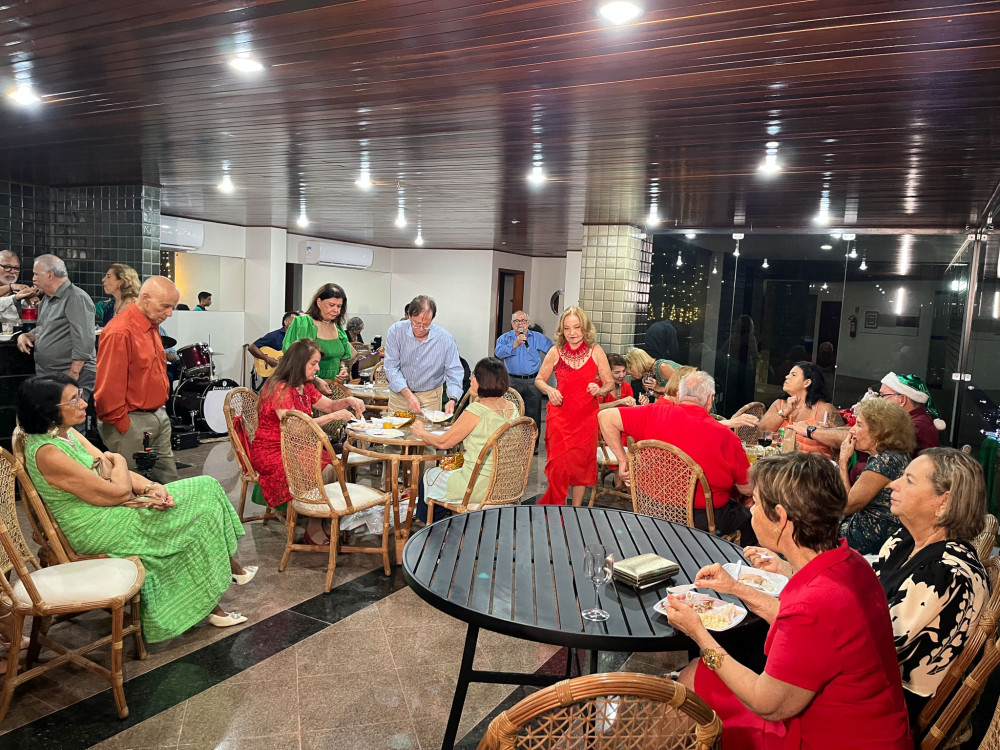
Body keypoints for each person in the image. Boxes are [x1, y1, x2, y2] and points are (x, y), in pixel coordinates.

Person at [670, 452, 912, 749]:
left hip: (828, 738)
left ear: (781, 519)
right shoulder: (851, 562)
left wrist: (699, 635)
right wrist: (735, 587)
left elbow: (766, 704)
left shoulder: (815, 603)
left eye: (756, 502)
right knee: (698, 673)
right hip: (878, 726)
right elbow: (806, 629)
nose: (751, 510)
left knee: (693, 678)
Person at [744, 448, 990, 728]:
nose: (893, 484)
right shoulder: (905, 540)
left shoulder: (947, 575)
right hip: (857, 678)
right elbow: (856, 597)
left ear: (943, 503)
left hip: (888, 708)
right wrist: (788, 568)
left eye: (908, 480)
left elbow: (876, 650)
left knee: (753, 661)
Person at [18, 374, 255, 640]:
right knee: (193, 515)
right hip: (94, 527)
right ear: (48, 411)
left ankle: (222, 578)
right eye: (73, 400)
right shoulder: (48, 452)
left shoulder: (66, 433)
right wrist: (119, 460)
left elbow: (114, 475)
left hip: (109, 509)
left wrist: (151, 487)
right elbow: (118, 491)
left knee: (206, 487)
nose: (84, 404)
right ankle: (217, 586)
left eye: (79, 396)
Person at [599, 370, 756, 542]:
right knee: (752, 518)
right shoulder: (726, 437)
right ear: (710, 399)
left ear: (679, 394)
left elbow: (605, 416)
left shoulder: (653, 414)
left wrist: (622, 461)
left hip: (651, 511)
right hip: (702, 520)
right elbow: (747, 489)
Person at [249, 339, 364, 545]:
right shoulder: (280, 388)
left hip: (297, 445)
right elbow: (295, 428)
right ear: (298, 363)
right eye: (313, 363)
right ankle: (314, 525)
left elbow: (329, 406)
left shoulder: (304, 386)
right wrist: (334, 417)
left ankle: (322, 518)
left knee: (332, 464)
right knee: (323, 468)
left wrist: (347, 401)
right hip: (273, 449)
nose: (317, 368)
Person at [94, 276, 180, 484]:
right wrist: (123, 424)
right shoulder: (120, 331)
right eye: (165, 306)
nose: (169, 313)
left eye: (173, 307)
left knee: (169, 483)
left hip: (157, 416)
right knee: (131, 486)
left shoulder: (152, 324)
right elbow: (108, 387)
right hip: (131, 421)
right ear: (146, 299)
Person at [412, 357, 519, 517]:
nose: (470, 378)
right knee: (448, 472)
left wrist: (421, 432)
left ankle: (434, 527)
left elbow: (443, 442)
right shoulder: (512, 407)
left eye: (474, 375)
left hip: (477, 485)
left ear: (483, 381)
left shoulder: (477, 410)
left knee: (429, 476)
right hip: (506, 483)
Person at [535, 306, 613, 506]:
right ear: (562, 330)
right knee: (558, 464)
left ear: (585, 328)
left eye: (576, 327)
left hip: (586, 418)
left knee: (581, 464)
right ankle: (557, 507)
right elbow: (539, 380)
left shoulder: (596, 351)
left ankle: (576, 510)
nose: (572, 333)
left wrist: (600, 389)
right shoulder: (555, 351)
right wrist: (550, 390)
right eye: (567, 328)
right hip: (560, 416)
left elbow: (609, 383)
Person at [789, 372, 942, 472]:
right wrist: (819, 430)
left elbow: (861, 437)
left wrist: (810, 431)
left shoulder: (914, 425)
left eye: (883, 396)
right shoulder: (907, 419)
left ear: (901, 399)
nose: (879, 400)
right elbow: (856, 431)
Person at [838, 398, 915, 555]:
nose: (851, 430)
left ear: (879, 432)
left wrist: (843, 461)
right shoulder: (897, 456)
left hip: (866, 539)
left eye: (859, 425)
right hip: (875, 535)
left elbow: (846, 506)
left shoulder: (885, 461)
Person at [16, 254, 97, 391]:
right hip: (49, 374)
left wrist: (73, 374)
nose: (33, 278)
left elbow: (84, 340)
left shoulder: (76, 298)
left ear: (50, 275)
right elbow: (44, 329)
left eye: (36, 274)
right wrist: (26, 336)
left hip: (72, 374)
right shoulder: (46, 299)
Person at [384, 294, 463, 414]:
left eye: (426, 325)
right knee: (395, 426)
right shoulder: (396, 331)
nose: (421, 329)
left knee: (426, 427)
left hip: (430, 397)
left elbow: (454, 371)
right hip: (400, 395)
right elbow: (391, 367)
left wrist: (452, 399)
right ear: (409, 316)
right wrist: (407, 394)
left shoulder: (445, 339)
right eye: (416, 323)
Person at [494, 310, 554, 445]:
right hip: (512, 381)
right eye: (516, 321)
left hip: (533, 381)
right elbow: (498, 353)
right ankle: (513, 446)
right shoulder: (504, 338)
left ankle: (532, 446)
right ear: (512, 323)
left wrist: (546, 370)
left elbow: (553, 351)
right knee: (511, 413)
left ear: (528, 323)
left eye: (523, 321)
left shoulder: (537, 337)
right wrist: (515, 344)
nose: (520, 324)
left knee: (533, 415)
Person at [758, 361, 841, 458]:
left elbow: (841, 441)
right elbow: (762, 432)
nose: (786, 377)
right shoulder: (779, 404)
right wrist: (785, 412)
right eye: (788, 374)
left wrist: (817, 432)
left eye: (793, 375)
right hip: (779, 461)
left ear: (807, 383)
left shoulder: (824, 409)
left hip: (813, 463)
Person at [283, 283, 352, 395]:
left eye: (339, 306)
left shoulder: (337, 327)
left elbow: (342, 357)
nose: (336, 310)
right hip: (305, 387)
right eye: (331, 305)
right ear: (319, 302)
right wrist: (314, 379)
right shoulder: (302, 323)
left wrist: (343, 368)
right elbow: (292, 358)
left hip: (333, 388)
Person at [0, 250, 38, 328]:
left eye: (16, 268)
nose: (13, 271)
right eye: (7, 267)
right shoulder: (17, 295)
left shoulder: (22, 297)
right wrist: (11, 287)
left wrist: (37, 307)